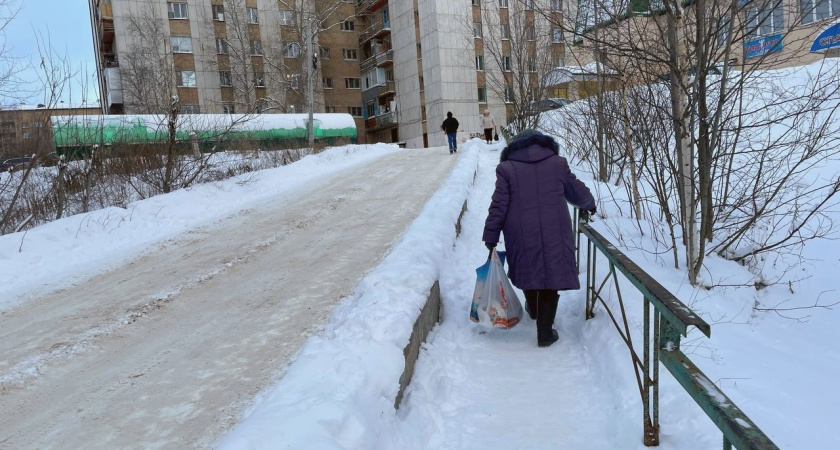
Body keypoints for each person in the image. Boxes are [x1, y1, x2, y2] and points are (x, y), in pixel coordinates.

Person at [482, 129, 596, 348]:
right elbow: (575, 189)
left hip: (519, 230)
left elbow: (499, 204)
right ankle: (545, 332)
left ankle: (534, 310)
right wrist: (589, 204)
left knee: (528, 267)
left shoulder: (507, 168)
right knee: (551, 272)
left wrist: (491, 234)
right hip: (555, 227)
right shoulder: (557, 163)